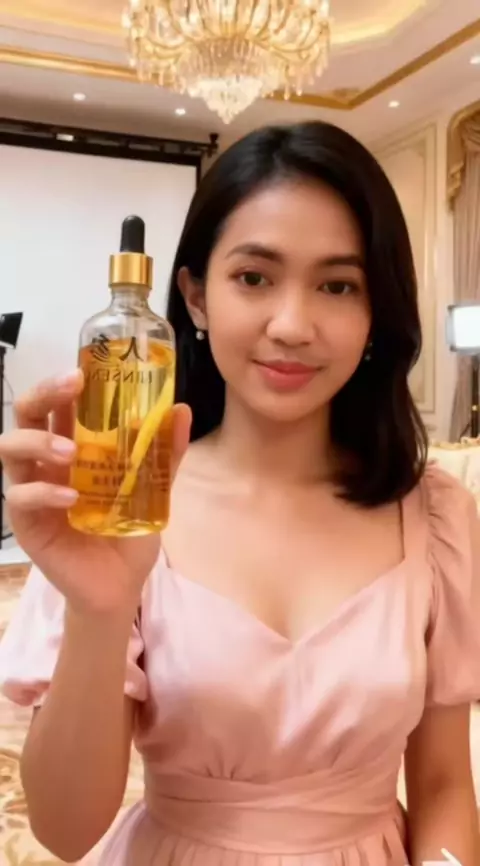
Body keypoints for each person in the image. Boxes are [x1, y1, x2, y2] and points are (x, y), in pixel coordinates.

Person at [0, 121, 479, 866]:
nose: (292, 325)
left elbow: (446, 781)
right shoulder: (121, 512)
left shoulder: (435, 515)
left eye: (338, 285)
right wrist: (98, 612)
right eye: (254, 277)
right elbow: (66, 830)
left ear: (375, 311)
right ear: (195, 297)